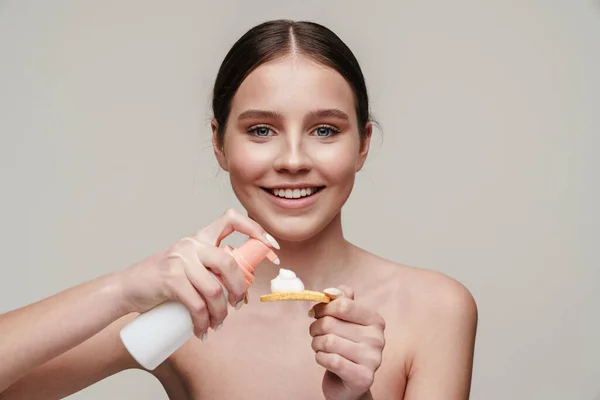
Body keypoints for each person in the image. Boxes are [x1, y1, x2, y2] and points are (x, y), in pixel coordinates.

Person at [0, 20, 477, 399]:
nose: (293, 160)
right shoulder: (181, 310)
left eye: (325, 130)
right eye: (261, 130)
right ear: (219, 143)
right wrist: (121, 289)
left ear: (363, 144)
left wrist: (357, 399)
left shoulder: (436, 309)